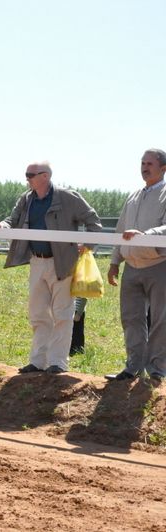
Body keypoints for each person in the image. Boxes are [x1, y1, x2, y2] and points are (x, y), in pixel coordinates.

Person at [0, 161, 102, 374]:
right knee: (38, 312)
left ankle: (58, 363)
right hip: (37, 261)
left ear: (45, 176)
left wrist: (87, 245)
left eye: (31, 174)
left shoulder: (69, 197)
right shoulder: (27, 199)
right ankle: (38, 361)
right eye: (26, 174)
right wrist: (1, 225)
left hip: (62, 262)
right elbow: (12, 220)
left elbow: (93, 221)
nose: (27, 178)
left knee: (62, 313)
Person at [105, 148, 166, 383]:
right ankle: (133, 367)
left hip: (158, 264)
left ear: (163, 168)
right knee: (131, 318)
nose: (144, 167)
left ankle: (157, 369)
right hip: (131, 266)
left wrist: (145, 235)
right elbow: (121, 232)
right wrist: (114, 262)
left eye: (149, 163)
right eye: (142, 163)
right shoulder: (132, 196)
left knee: (160, 319)